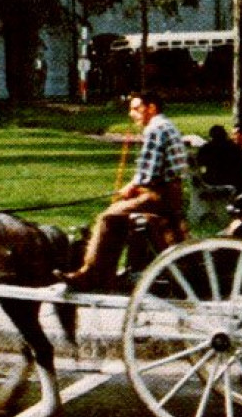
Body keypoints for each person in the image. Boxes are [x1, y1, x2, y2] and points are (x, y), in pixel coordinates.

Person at [59, 92, 190, 291]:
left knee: (108, 217)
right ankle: (107, 273)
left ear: (152, 108)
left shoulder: (155, 129)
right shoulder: (167, 126)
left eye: (136, 109)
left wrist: (130, 187)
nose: (132, 114)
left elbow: (149, 175)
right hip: (170, 194)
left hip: (159, 196)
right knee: (119, 214)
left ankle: (91, 273)